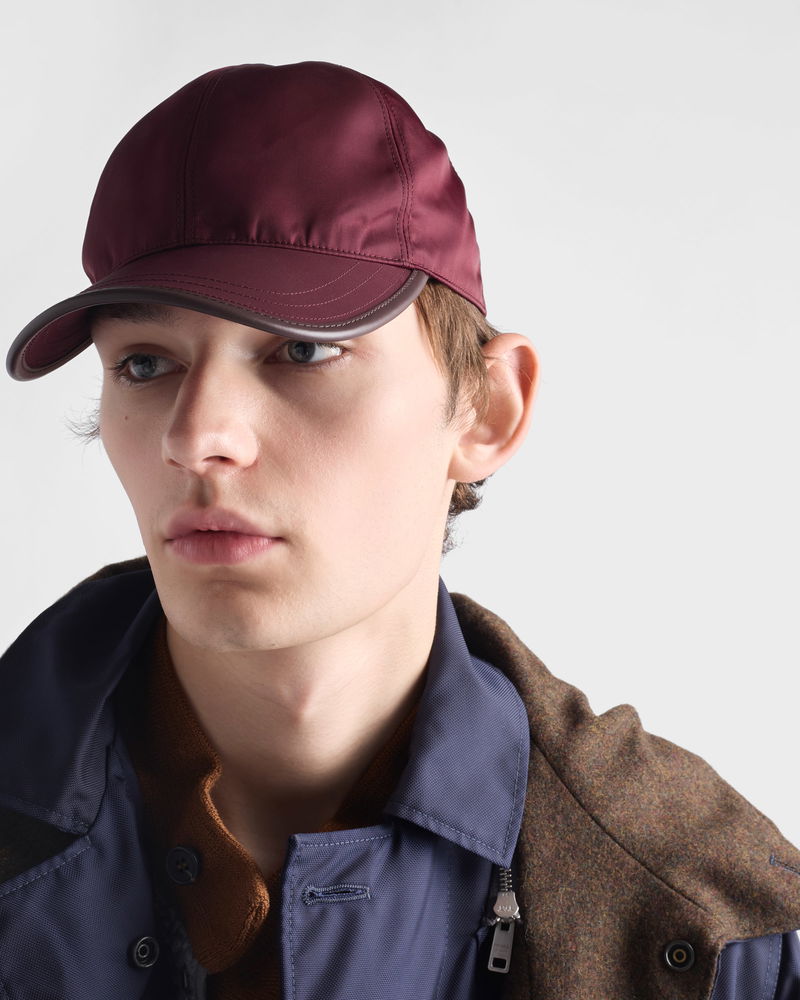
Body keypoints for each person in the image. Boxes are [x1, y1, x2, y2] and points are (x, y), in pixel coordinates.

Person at [2, 60, 799, 1000]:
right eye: (144, 363)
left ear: (487, 410)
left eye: (302, 350)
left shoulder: (716, 933)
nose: (196, 436)